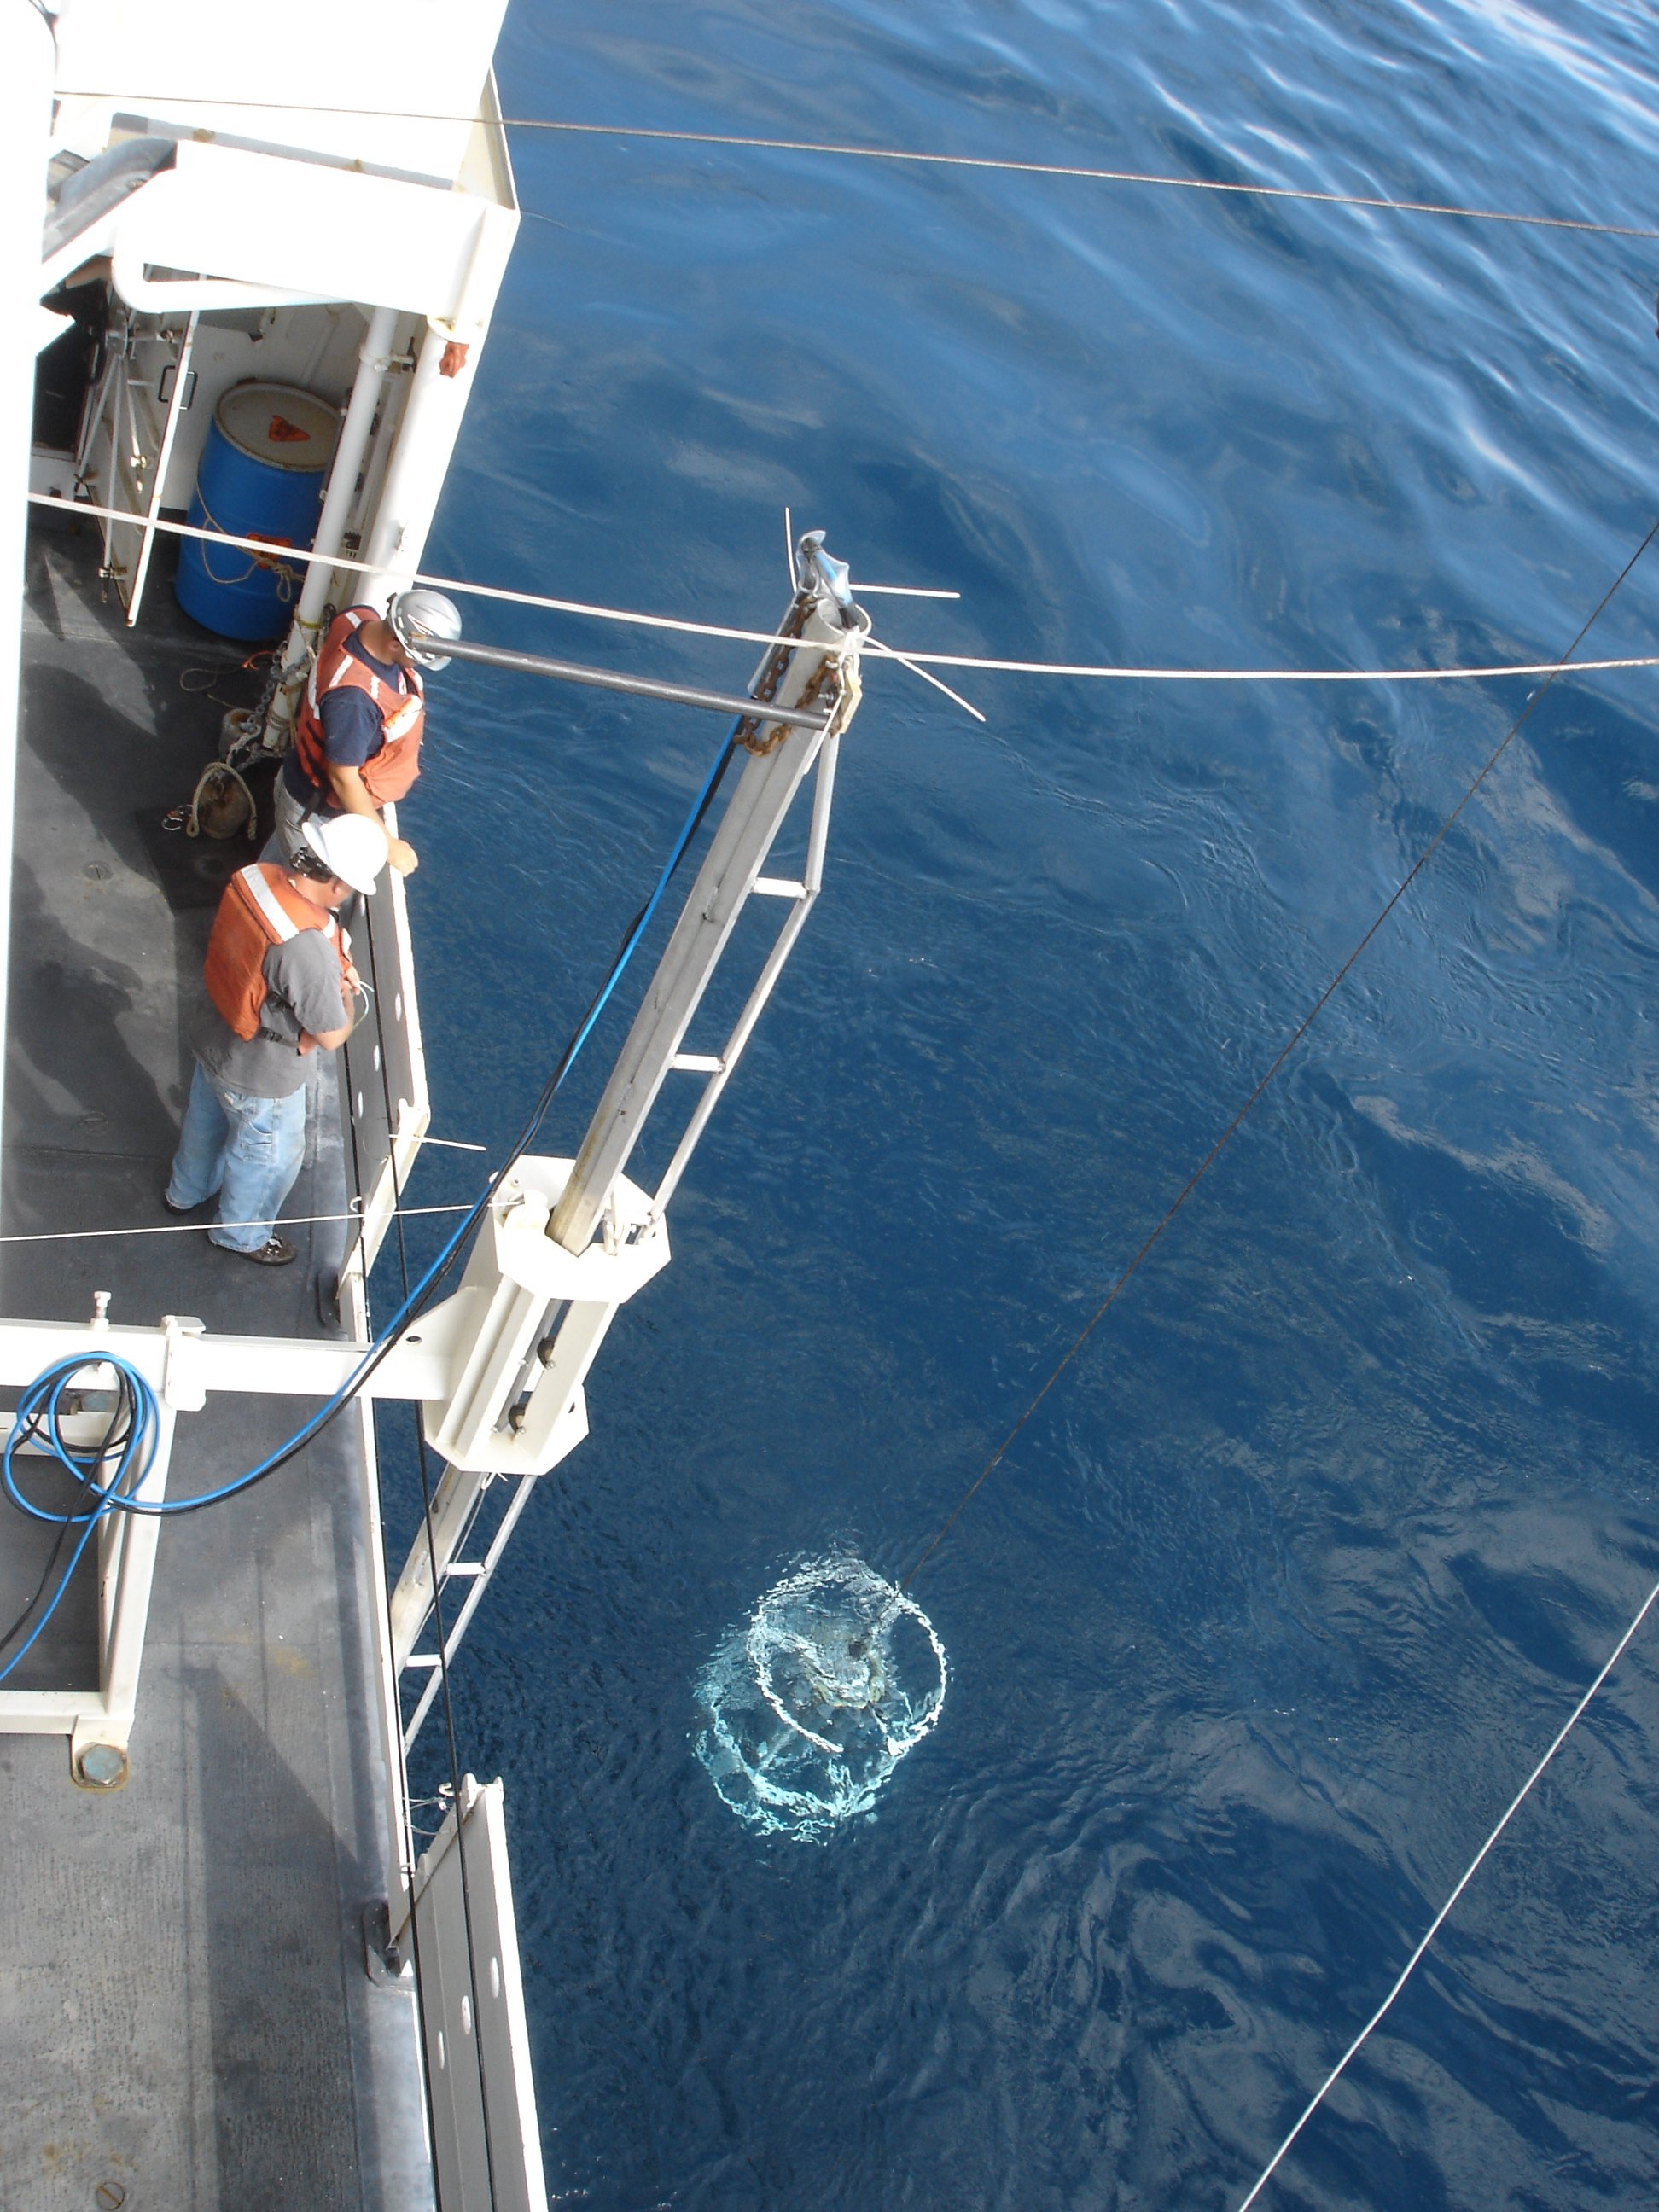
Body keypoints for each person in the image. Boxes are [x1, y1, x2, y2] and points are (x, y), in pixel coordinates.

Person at [165, 813, 387, 1266]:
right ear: (340, 885)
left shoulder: (256, 877)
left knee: (204, 1124)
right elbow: (329, 1036)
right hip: (263, 1073)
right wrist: (343, 996)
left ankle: (183, 1193)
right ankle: (241, 1234)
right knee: (269, 1158)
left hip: (215, 1037)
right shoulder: (305, 950)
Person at [271, 588, 462, 879]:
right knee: (302, 887)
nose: (420, 664)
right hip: (315, 816)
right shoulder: (354, 701)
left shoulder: (359, 618)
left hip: (299, 783)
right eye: (419, 657)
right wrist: (388, 844)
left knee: (277, 859)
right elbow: (343, 777)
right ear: (396, 645)